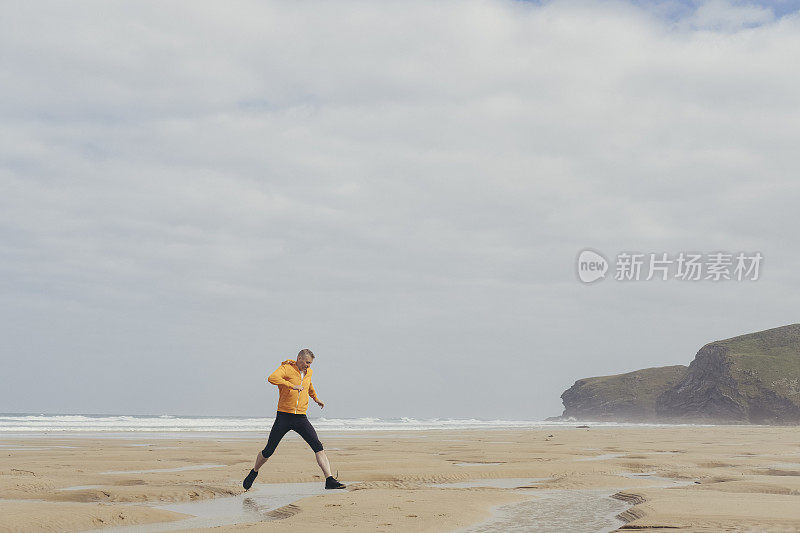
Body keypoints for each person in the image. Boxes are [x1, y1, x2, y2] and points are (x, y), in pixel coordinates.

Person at [243, 349, 346, 490]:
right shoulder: (286, 368)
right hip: (284, 416)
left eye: (310, 363)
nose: (308, 365)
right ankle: (254, 471)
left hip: (301, 418)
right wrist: (291, 385)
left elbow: (309, 386)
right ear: (299, 358)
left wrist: (316, 398)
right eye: (307, 362)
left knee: (318, 446)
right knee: (268, 450)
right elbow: (272, 378)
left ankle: (329, 480)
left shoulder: (309, 372)